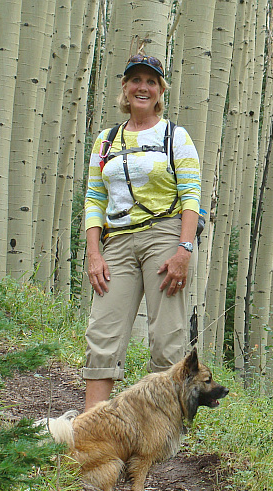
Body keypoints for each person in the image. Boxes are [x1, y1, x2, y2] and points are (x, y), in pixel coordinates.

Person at [82, 53, 201, 411]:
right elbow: (94, 197)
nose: (142, 87)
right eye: (136, 80)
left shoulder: (175, 136)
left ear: (161, 90)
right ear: (125, 87)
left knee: (167, 340)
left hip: (165, 238)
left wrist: (184, 250)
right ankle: (92, 432)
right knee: (102, 334)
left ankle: (161, 435)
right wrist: (93, 253)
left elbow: (191, 194)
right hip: (115, 242)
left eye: (151, 81)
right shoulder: (106, 140)